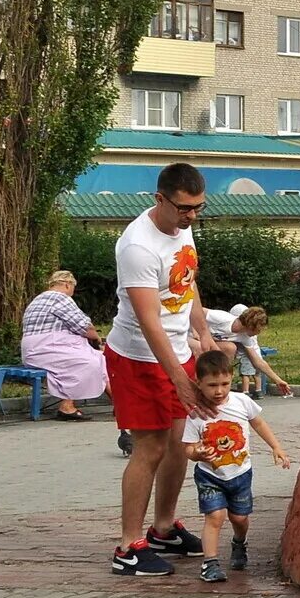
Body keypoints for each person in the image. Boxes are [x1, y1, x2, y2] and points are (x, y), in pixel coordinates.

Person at [105, 163, 217, 576]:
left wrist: (202, 332)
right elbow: (149, 320)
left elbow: (186, 280)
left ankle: (164, 528)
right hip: (138, 357)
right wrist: (177, 379)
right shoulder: (137, 246)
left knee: (179, 441)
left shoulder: (180, 228)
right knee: (149, 447)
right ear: (160, 200)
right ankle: (127, 547)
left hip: (175, 350)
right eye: (184, 208)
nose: (191, 217)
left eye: (198, 208)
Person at [180, 348, 290, 583]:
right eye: (211, 385)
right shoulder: (197, 414)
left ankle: (239, 543)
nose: (219, 391)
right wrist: (197, 453)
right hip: (210, 475)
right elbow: (188, 449)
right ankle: (210, 563)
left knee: (239, 518)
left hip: (240, 474)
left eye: (224, 383)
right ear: (198, 383)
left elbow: (258, 424)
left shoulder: (242, 401)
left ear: (232, 380)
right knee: (215, 516)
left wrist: (276, 447)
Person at [19, 270, 106, 421]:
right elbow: (85, 327)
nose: (73, 292)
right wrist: (98, 339)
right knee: (91, 361)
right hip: (48, 348)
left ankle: (117, 405)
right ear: (67, 284)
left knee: (99, 359)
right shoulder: (60, 299)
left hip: (33, 351)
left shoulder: (38, 300)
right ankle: (67, 407)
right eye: (73, 287)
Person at [205, 303, 289, 396]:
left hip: (205, 343)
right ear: (251, 325)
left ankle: (218, 380)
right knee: (202, 346)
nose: (259, 333)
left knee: (230, 348)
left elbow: (257, 361)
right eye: (259, 329)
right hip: (190, 337)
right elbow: (195, 311)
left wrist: (277, 380)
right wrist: (200, 334)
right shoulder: (222, 318)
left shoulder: (245, 337)